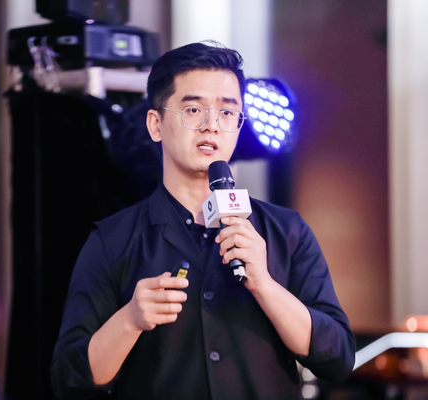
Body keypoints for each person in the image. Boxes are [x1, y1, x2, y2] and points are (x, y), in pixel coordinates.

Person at [50, 42, 355, 400]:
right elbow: (69, 380)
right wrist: (129, 320)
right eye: (194, 109)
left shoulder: (287, 232)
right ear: (156, 124)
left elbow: (337, 359)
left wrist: (265, 285)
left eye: (227, 112)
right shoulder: (112, 240)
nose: (212, 126)